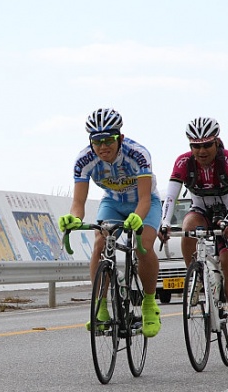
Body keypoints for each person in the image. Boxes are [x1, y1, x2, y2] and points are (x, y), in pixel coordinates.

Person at [58, 108, 162, 338]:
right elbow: (78, 202)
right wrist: (73, 219)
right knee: (99, 242)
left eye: (108, 140)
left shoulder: (138, 154)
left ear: (120, 138)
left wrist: (137, 217)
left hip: (143, 203)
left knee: (143, 244)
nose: (103, 147)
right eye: (97, 141)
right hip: (113, 203)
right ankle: (101, 307)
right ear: (90, 142)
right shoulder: (84, 160)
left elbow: (145, 199)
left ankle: (148, 303)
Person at [158, 117, 228, 352]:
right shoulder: (184, 163)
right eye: (195, 146)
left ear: (216, 143)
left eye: (206, 145)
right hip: (201, 211)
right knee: (188, 227)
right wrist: (165, 223)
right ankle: (196, 275)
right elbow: (171, 196)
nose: (201, 151)